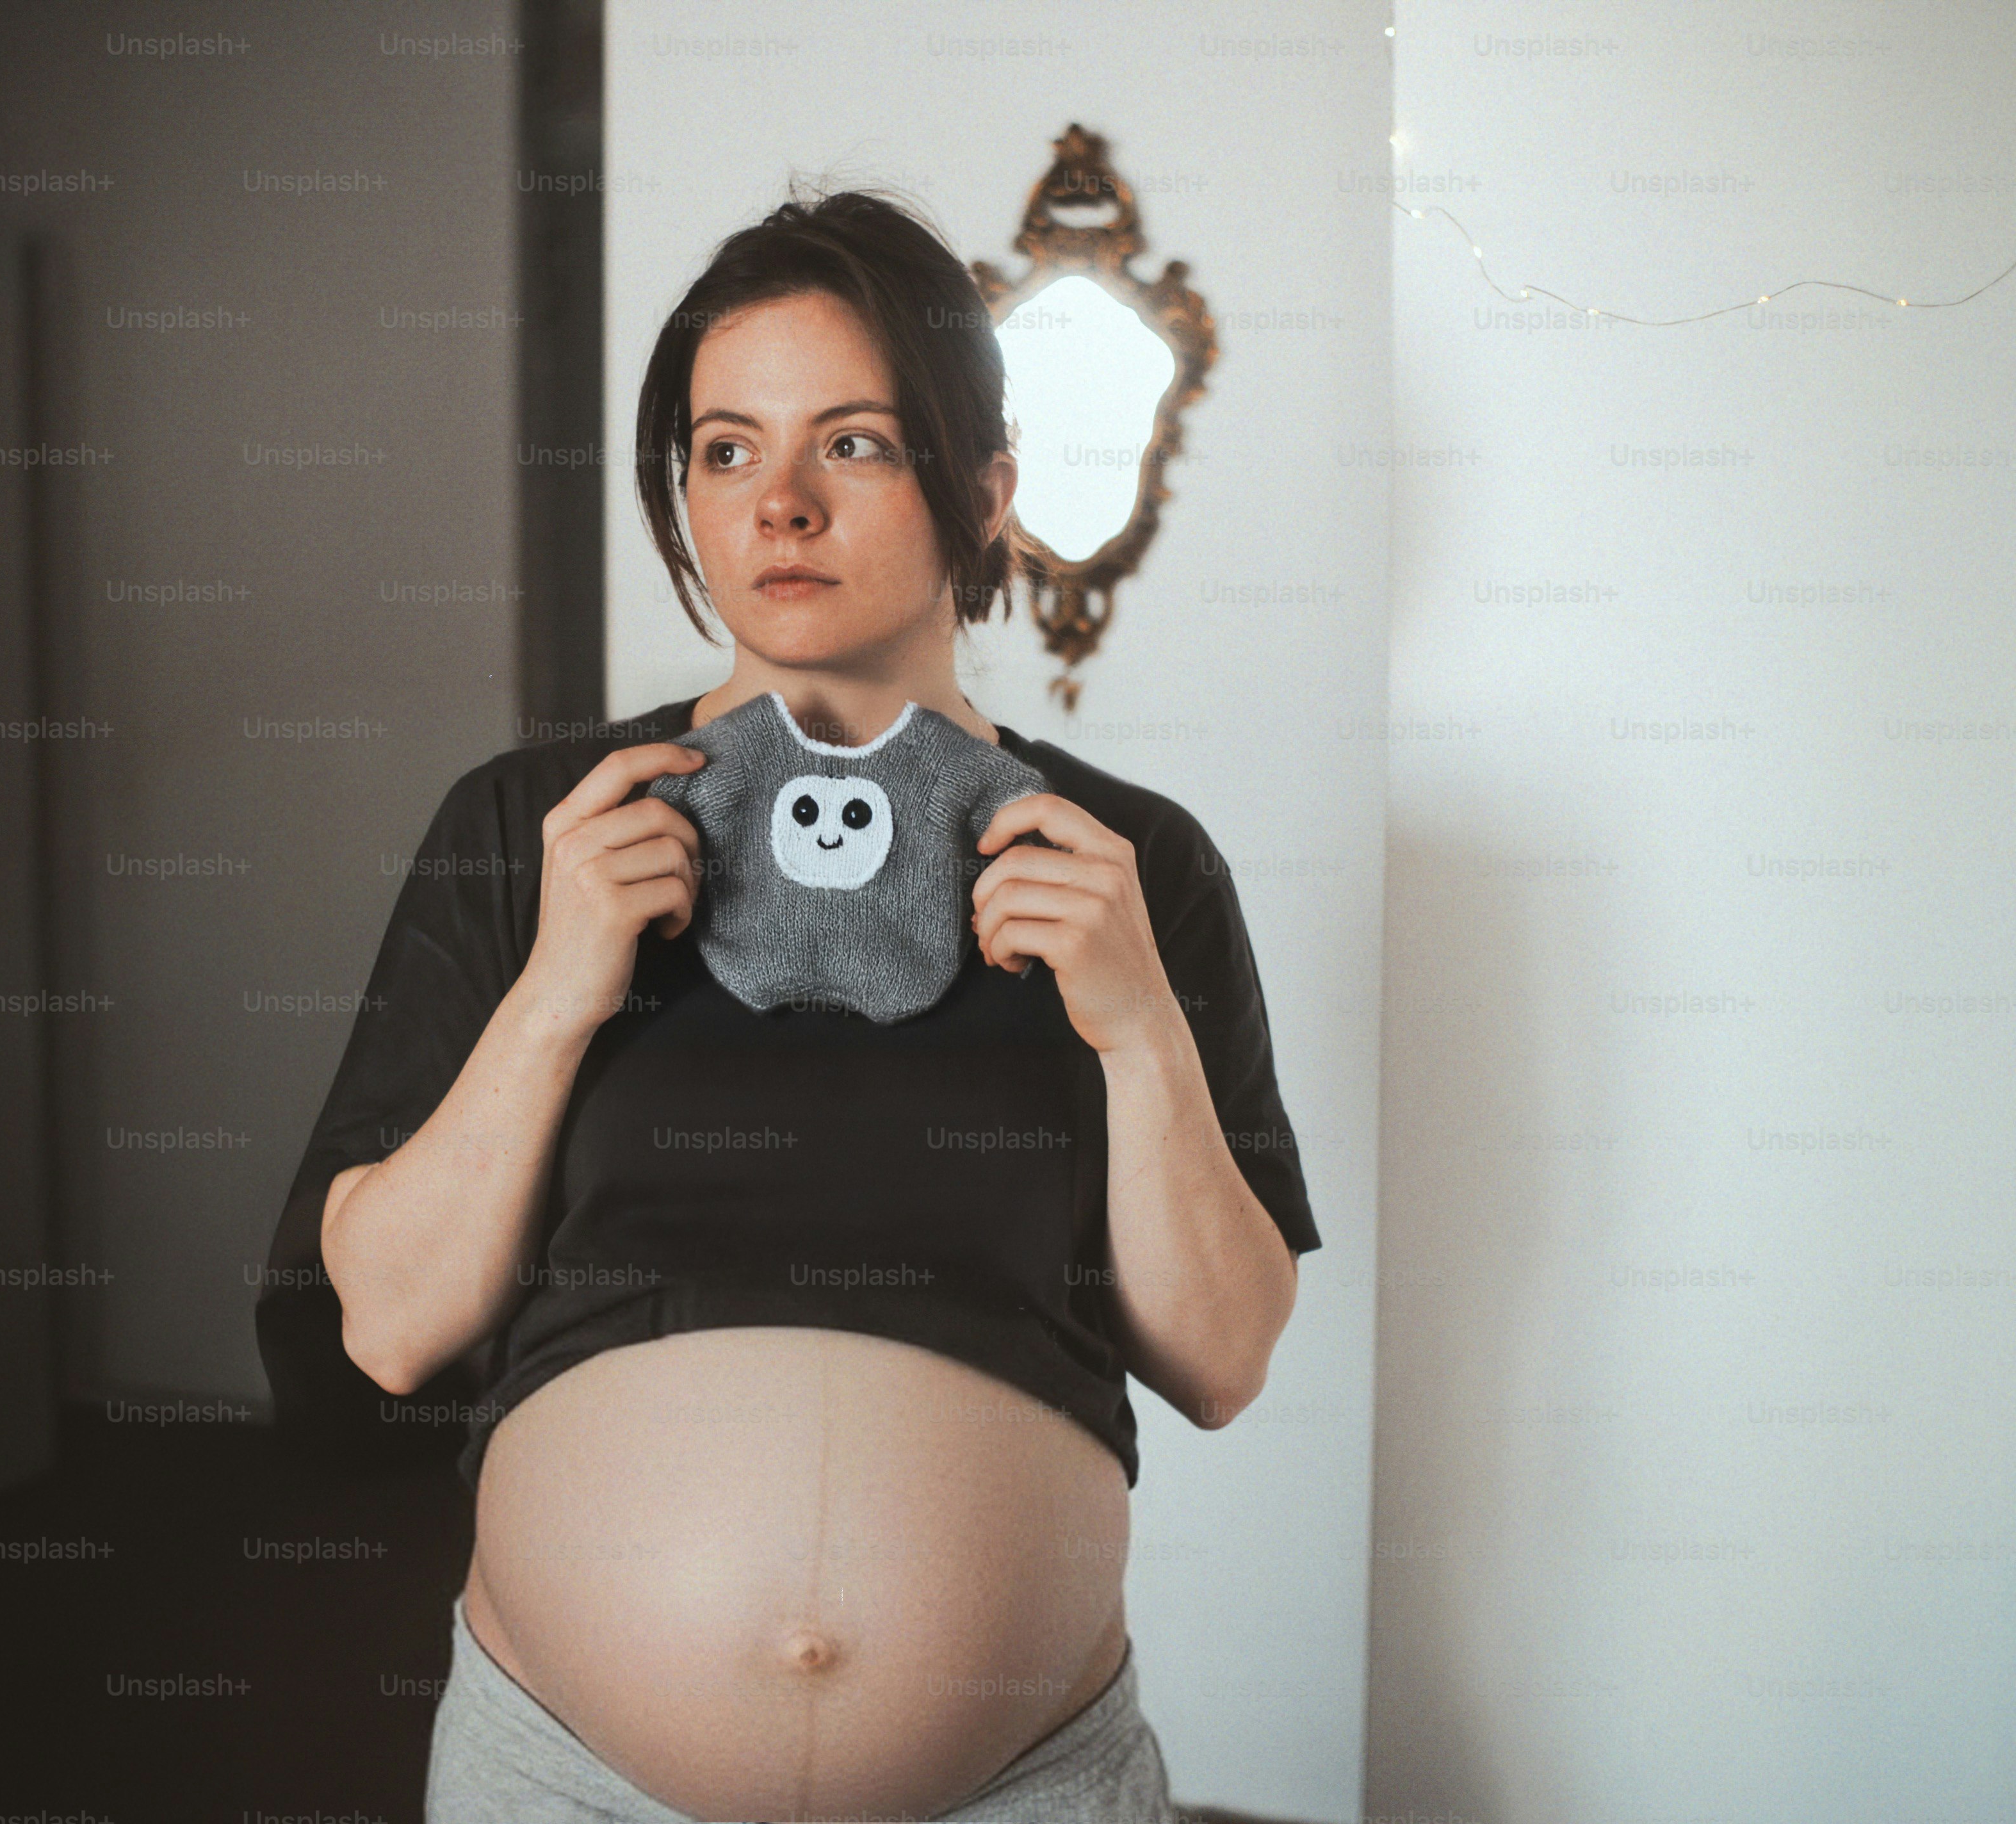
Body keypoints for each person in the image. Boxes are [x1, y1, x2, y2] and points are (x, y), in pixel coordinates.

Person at [257, 187, 1321, 1823]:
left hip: (1023, 1783)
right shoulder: (530, 824)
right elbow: (389, 1327)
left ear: (985, 488)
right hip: (569, 1776)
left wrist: (1138, 1022)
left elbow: (1226, 1357)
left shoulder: (1131, 864)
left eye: (859, 445)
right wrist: (558, 987)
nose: (783, 506)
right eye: (727, 451)